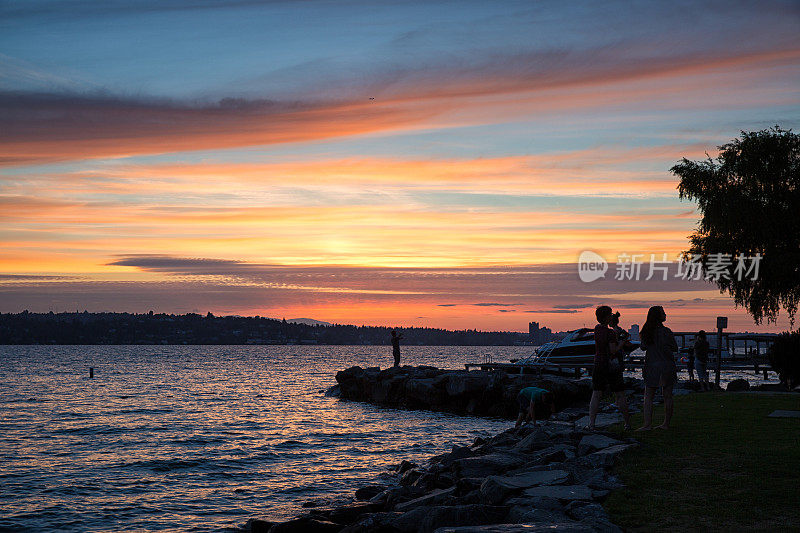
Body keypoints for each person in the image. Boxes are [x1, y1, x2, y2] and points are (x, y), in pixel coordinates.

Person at [587, 306, 631, 431]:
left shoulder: (597, 329)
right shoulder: (610, 333)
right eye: (610, 314)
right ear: (607, 317)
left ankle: (592, 424)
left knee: (596, 394)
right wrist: (622, 342)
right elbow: (613, 350)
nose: (612, 316)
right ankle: (627, 423)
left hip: (598, 364)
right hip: (611, 366)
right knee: (620, 394)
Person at [638, 306, 678, 430]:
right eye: (663, 313)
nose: (665, 315)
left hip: (652, 366)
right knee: (668, 396)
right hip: (667, 366)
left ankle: (647, 424)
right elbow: (675, 348)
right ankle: (666, 424)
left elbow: (643, 347)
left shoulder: (646, 332)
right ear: (658, 316)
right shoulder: (667, 332)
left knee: (648, 396)